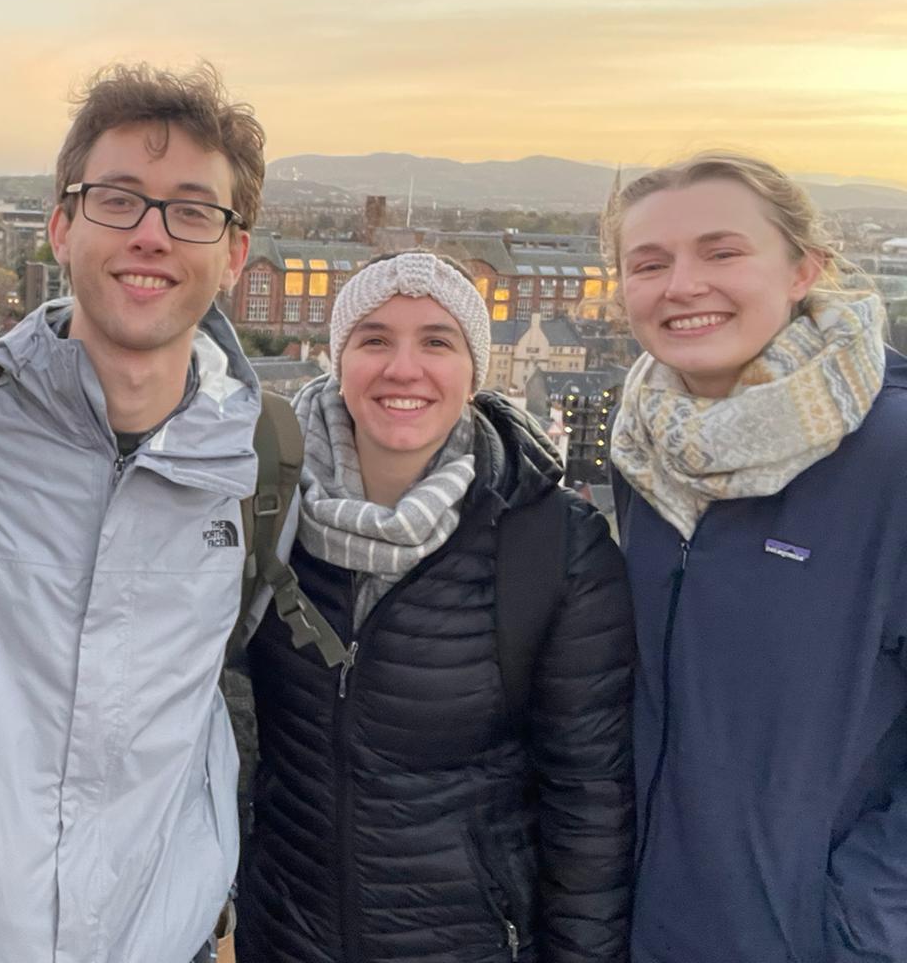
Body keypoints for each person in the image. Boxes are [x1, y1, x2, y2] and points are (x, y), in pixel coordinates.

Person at [0, 62, 267, 963]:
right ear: (61, 226)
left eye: (193, 210)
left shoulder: (265, 462)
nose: (154, 235)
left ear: (234, 252)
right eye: (119, 199)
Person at [238, 250, 634, 963]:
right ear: (338, 358)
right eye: (375, 339)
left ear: (475, 371)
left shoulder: (551, 547)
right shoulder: (265, 512)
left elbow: (590, 810)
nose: (403, 368)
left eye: (437, 341)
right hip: (285, 935)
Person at [604, 152, 907, 963]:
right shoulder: (642, 453)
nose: (682, 285)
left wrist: (865, 925)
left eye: (722, 251)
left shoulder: (891, 457)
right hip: (641, 928)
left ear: (805, 268)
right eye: (650, 263)